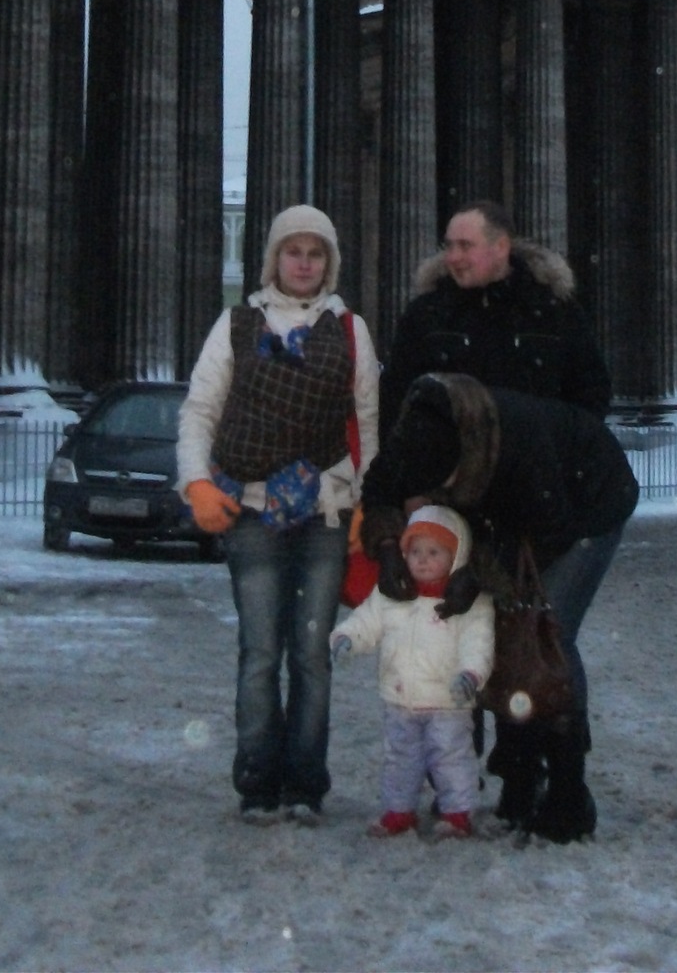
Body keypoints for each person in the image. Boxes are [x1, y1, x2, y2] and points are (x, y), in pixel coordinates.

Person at [361, 373, 638, 843]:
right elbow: (380, 488)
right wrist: (388, 545)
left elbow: (548, 526)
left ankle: (569, 789)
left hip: (591, 499)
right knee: (497, 634)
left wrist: (478, 574)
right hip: (527, 506)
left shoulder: (519, 443)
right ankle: (521, 779)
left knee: (547, 633)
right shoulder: (413, 438)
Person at [177, 203, 379, 822]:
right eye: (294, 251)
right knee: (261, 651)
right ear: (273, 259)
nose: (304, 263)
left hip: (325, 513)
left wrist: (368, 501)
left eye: (316, 253)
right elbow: (201, 409)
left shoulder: (351, 329)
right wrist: (196, 482)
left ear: (329, 263)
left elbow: (367, 422)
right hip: (252, 508)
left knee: (312, 656)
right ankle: (258, 781)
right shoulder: (237, 322)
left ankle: (305, 784)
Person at [330, 501, 495, 839]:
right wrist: (346, 637)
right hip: (400, 698)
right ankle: (398, 810)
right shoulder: (393, 594)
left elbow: (478, 643)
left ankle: (458, 812)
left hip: (448, 701)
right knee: (400, 760)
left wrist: (471, 674)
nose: (422, 560)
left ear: (456, 556)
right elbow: (367, 620)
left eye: (434, 552)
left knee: (451, 758)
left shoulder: (467, 604)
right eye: (415, 551)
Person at [380, 201, 611, 436]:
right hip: (449, 458)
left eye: (465, 245)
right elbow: (395, 399)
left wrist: (551, 443)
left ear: (500, 247)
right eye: (449, 246)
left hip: (534, 457)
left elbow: (591, 395)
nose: (453, 257)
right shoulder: (425, 314)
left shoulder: (556, 312)